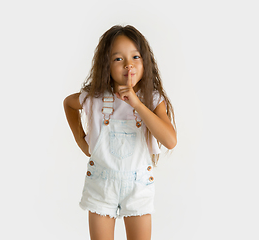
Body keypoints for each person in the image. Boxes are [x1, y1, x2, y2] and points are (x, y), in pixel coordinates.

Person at [63, 25, 177, 240]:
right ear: (106, 64)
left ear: (146, 62)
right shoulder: (95, 97)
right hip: (101, 185)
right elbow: (68, 103)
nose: (128, 65)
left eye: (135, 56)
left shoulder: (152, 99)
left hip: (138, 187)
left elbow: (170, 140)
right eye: (118, 59)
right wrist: (81, 140)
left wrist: (136, 102)